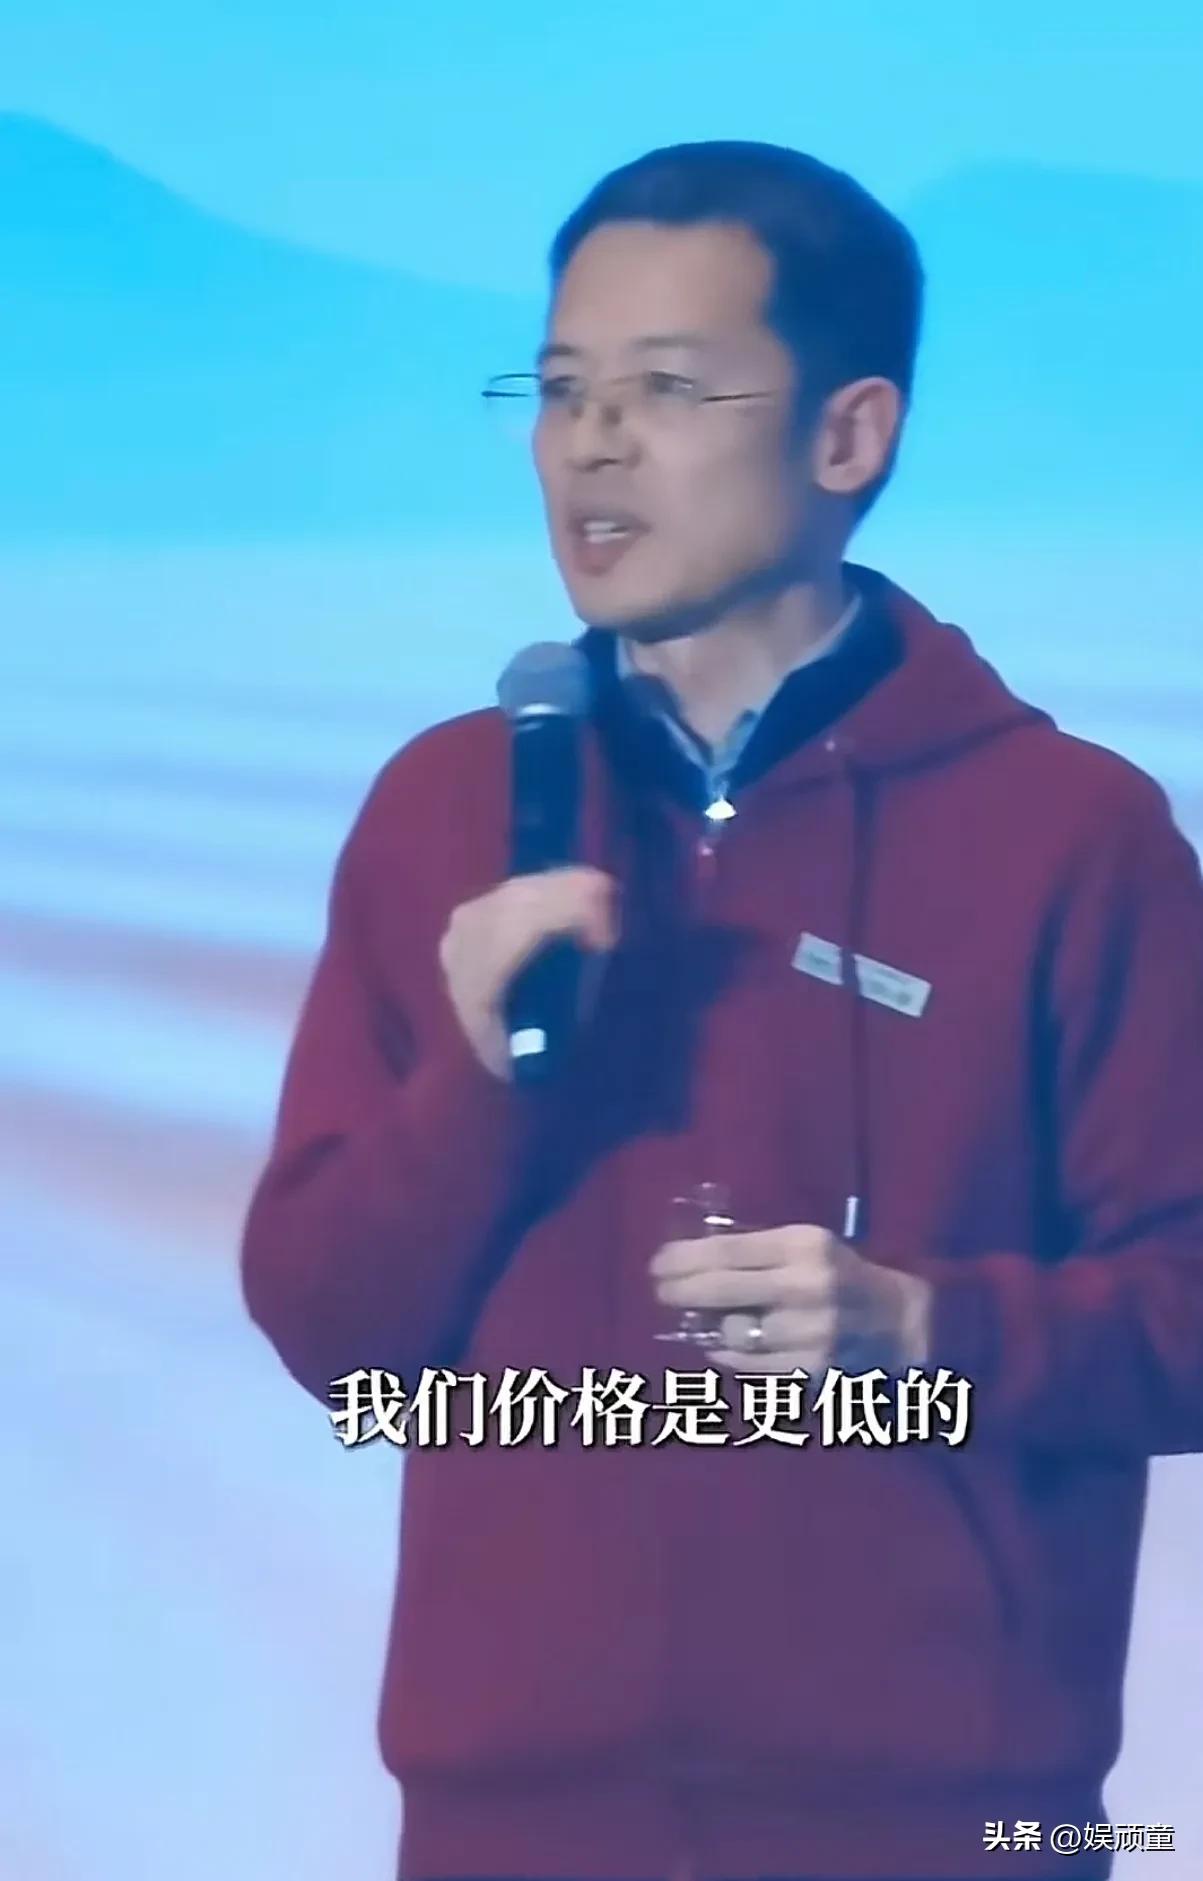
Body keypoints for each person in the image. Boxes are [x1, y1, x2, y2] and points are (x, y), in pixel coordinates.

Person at [239, 141, 1203, 1881]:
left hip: (954, 1836)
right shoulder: (446, 812)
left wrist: (928, 1328)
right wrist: (481, 1082)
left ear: (850, 436)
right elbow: (331, 1329)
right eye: (560, 391)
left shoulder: (1072, 834)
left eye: (669, 389)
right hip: (515, 1834)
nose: (592, 444)